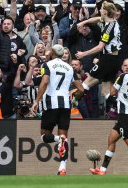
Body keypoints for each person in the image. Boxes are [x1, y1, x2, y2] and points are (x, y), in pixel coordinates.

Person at [31, 44, 84, 175]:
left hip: (51, 104)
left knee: (44, 136)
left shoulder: (47, 65)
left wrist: (36, 100)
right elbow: (81, 89)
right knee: (63, 136)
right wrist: (75, 99)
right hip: (66, 105)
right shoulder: (70, 68)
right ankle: (62, 167)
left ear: (53, 53)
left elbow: (45, 81)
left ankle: (57, 140)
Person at [75, 1, 122, 101]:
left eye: (101, 9)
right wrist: (84, 22)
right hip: (113, 59)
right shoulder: (111, 21)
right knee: (105, 92)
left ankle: (71, 105)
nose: (99, 10)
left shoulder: (108, 29)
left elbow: (100, 47)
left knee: (84, 85)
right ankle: (117, 110)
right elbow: (97, 19)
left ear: (105, 11)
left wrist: (84, 54)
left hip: (108, 59)